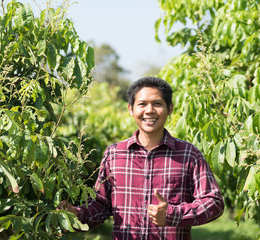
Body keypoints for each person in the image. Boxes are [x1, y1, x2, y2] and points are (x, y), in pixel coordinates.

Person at [58, 77, 224, 239]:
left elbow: (214, 202)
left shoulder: (188, 154)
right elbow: (101, 205)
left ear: (170, 108)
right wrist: (76, 214)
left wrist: (173, 214)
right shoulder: (114, 154)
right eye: (142, 104)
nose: (150, 110)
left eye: (157, 104)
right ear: (131, 109)